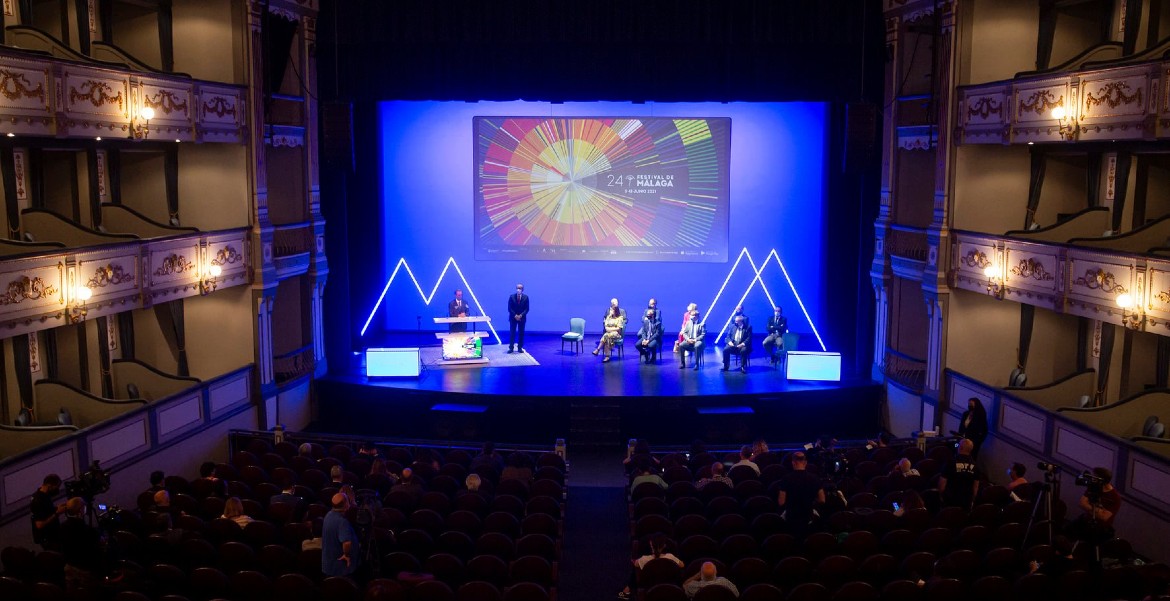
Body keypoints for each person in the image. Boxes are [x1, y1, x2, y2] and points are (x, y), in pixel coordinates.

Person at [618, 532, 684, 600]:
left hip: (649, 588)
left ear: (650, 543)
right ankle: (626, 590)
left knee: (635, 571)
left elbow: (636, 564)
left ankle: (626, 591)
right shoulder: (670, 557)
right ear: (664, 545)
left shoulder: (644, 559)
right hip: (669, 586)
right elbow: (682, 565)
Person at [59, 497, 104, 591]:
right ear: (81, 510)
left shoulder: (62, 527)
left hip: (69, 566)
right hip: (85, 570)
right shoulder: (87, 530)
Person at [778, 451, 825, 539]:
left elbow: (781, 502)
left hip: (791, 516)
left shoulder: (786, 479)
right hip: (808, 516)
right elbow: (822, 500)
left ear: (793, 463)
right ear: (805, 462)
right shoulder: (815, 478)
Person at [1069, 466, 1121, 543]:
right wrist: (1098, 510)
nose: (1092, 479)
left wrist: (1089, 507)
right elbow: (1082, 503)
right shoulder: (1093, 487)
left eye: (1094, 477)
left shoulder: (1115, 497)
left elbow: (1104, 517)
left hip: (1101, 528)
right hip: (1085, 520)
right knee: (1067, 531)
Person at [322, 492, 359, 577]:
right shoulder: (342, 522)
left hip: (329, 564)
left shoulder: (328, 515)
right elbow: (347, 543)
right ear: (346, 504)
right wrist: (346, 555)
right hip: (340, 568)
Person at [938, 439, 979, 509]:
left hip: (950, 502)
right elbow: (975, 488)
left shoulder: (950, 463)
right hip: (966, 503)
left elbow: (942, 485)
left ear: (961, 448)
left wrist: (942, 498)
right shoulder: (975, 466)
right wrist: (971, 501)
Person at [31, 474, 64, 550]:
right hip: (48, 538)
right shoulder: (38, 500)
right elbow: (39, 525)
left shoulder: (43, 495)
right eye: (56, 487)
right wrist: (57, 513)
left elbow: (45, 511)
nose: (57, 490)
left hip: (51, 536)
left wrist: (56, 508)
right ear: (49, 485)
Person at [507, 283, 528, 353]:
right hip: (513, 318)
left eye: (520, 288)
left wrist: (521, 315)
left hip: (522, 318)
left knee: (521, 333)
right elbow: (509, 308)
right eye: (517, 288)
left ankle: (520, 348)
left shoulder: (526, 297)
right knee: (512, 333)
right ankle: (511, 348)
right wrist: (515, 315)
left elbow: (527, 309)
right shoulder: (512, 297)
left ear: (522, 289)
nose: (518, 290)